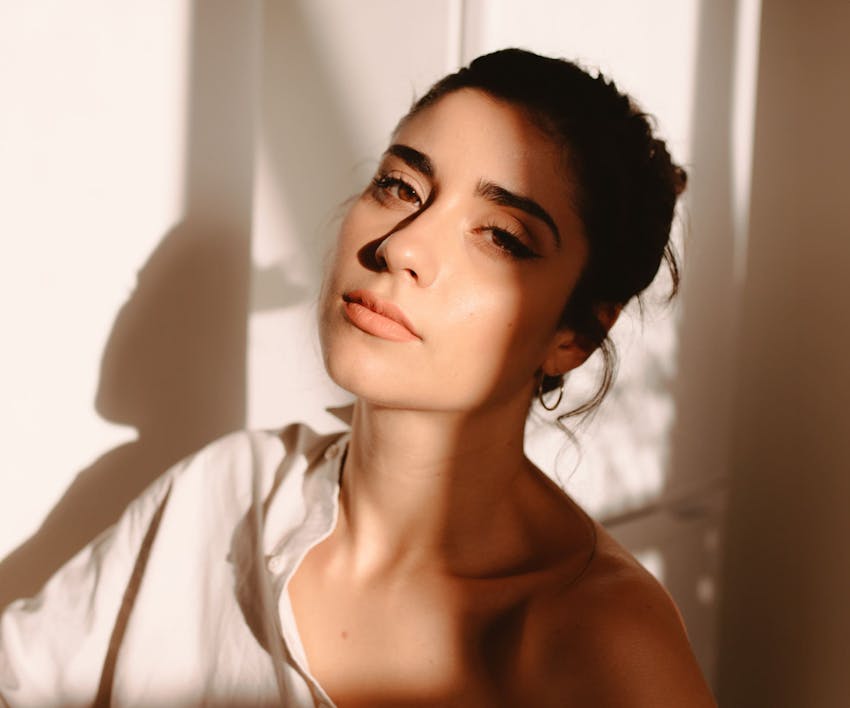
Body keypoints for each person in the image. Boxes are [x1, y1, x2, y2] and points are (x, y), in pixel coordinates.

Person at [0, 49, 716, 706]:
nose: (400, 246)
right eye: (400, 186)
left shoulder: (604, 642)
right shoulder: (226, 492)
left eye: (501, 236)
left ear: (576, 335)